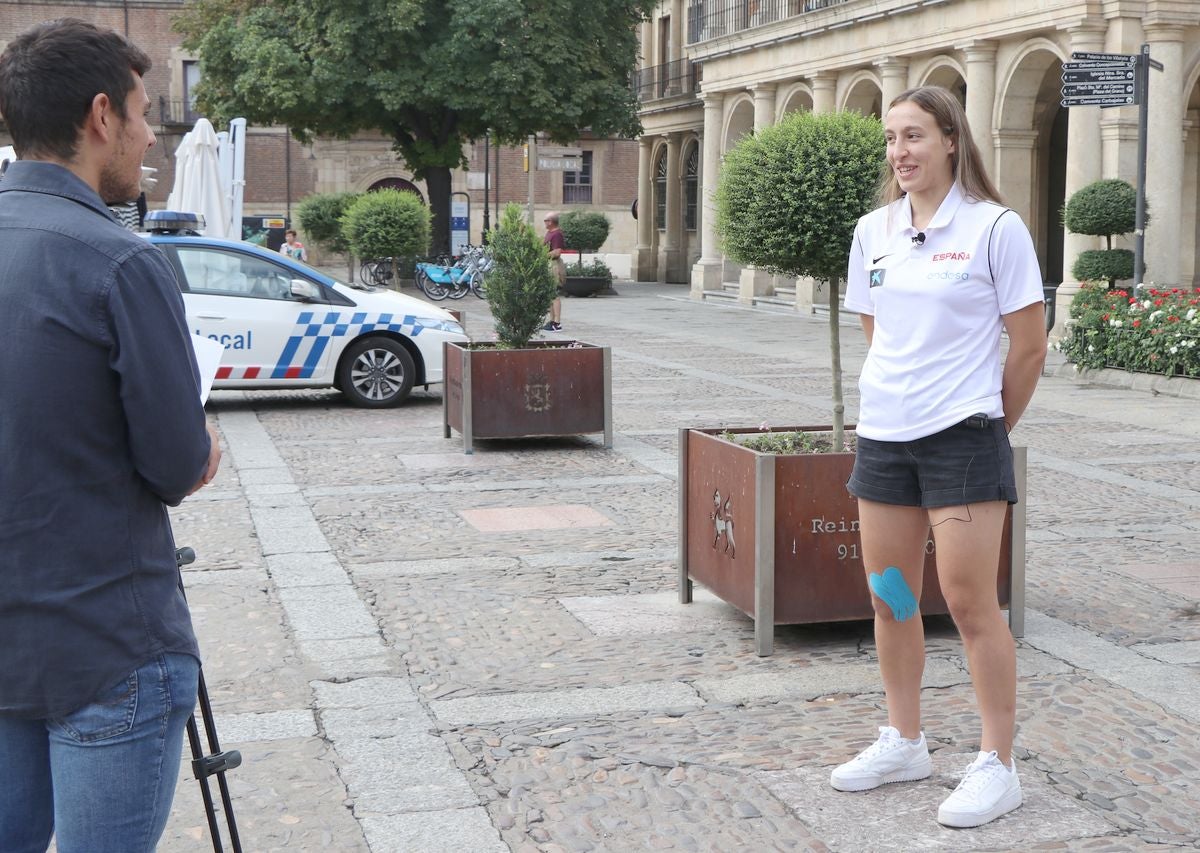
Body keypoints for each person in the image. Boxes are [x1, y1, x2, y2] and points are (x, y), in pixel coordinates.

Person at [0, 18, 220, 852]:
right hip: (108, 647)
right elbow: (172, 463)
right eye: (142, 112)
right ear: (101, 117)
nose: (150, 134)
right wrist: (203, 450)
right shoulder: (122, 262)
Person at [832, 86, 1047, 829]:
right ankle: (905, 739)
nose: (901, 152)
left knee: (967, 602)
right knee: (891, 594)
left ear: (952, 140)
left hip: (963, 437)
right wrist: (906, 400)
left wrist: (985, 422)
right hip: (887, 437)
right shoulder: (873, 231)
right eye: (892, 139)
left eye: (916, 136)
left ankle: (997, 762)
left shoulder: (996, 229)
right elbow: (878, 330)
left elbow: (1028, 347)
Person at [542, 212, 565, 331]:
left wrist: (542, 255)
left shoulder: (557, 234)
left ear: (551, 221)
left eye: (546, 220)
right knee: (550, 294)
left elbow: (557, 252)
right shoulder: (549, 233)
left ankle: (557, 322)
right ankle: (551, 321)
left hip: (554, 265)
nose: (544, 222)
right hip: (549, 264)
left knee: (554, 294)